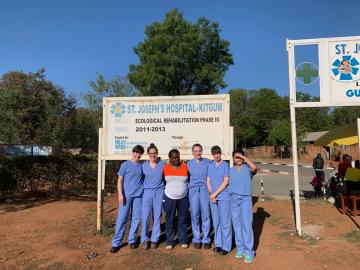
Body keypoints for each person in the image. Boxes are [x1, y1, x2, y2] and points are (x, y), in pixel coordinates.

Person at [110, 145, 144, 253]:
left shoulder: (141, 166)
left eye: (139, 153)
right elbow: (119, 181)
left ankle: (132, 240)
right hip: (126, 196)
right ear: (133, 152)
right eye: (136, 152)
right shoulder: (125, 165)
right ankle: (116, 243)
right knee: (122, 219)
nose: (137, 155)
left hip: (138, 195)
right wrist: (120, 194)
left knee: (135, 219)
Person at [229, 149, 257, 263]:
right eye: (236, 157)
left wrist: (244, 158)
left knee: (246, 225)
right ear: (233, 159)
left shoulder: (248, 169)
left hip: (245, 199)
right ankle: (240, 248)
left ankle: (249, 250)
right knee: (236, 224)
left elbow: (254, 168)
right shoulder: (230, 170)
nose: (238, 159)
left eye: (240, 157)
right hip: (234, 199)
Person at [163, 149, 190, 250]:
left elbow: (189, 179)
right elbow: (163, 181)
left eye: (178, 157)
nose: (176, 159)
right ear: (170, 158)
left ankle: (183, 240)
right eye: (174, 157)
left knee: (182, 219)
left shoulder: (185, 166)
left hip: (183, 197)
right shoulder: (165, 167)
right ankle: (170, 241)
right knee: (169, 219)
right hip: (169, 197)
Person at [207, 145, 231, 255]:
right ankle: (218, 244)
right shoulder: (210, 165)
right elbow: (208, 180)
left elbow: (226, 182)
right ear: (212, 155)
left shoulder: (225, 165)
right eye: (214, 153)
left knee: (225, 222)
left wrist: (215, 194)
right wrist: (212, 194)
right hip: (213, 198)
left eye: (218, 153)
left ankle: (226, 246)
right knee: (216, 222)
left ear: (220, 154)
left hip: (223, 197)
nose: (216, 155)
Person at [140, 143, 165, 250]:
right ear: (148, 154)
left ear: (157, 153)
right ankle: (144, 239)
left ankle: (155, 238)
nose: (153, 155)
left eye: (154, 153)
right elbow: (140, 179)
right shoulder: (143, 165)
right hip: (147, 192)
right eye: (151, 153)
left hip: (159, 192)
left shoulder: (163, 164)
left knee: (157, 216)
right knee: (145, 216)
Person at [187, 144, 211, 249]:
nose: (198, 153)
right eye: (195, 151)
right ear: (192, 152)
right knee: (195, 214)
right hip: (193, 190)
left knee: (205, 214)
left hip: (204, 190)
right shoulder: (189, 163)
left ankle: (206, 238)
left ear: (202, 151)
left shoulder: (207, 162)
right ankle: (196, 238)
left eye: (199, 151)